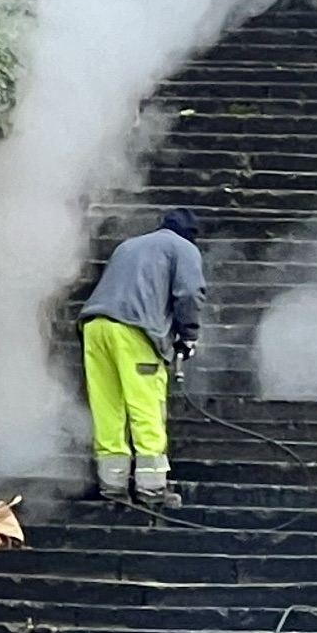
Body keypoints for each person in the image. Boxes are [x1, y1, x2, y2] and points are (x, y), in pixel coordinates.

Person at [79, 208, 207, 509]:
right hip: (134, 331)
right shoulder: (183, 248)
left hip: (95, 327)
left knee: (107, 407)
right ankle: (151, 490)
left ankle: (113, 485)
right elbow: (189, 293)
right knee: (145, 405)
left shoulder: (129, 246)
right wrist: (188, 336)